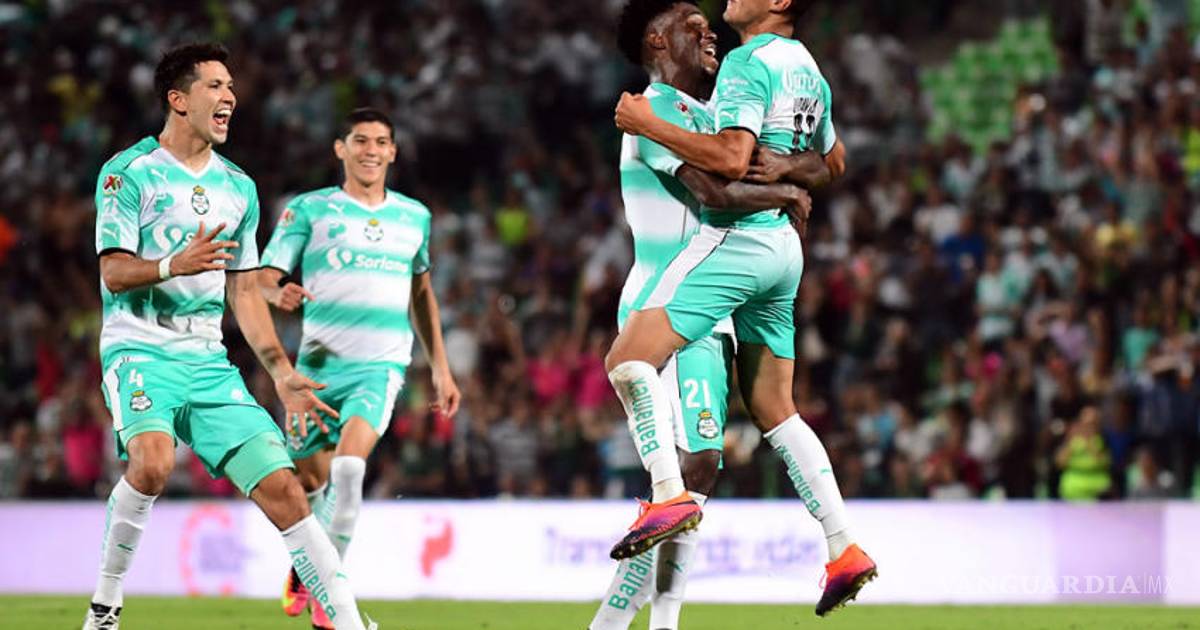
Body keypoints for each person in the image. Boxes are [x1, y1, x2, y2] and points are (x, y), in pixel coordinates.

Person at [87, 44, 375, 629]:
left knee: (286, 490)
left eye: (231, 87)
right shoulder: (127, 173)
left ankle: (349, 623)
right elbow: (113, 271)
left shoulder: (238, 187)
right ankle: (105, 607)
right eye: (215, 86)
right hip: (139, 346)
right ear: (178, 99)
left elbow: (244, 292)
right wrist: (173, 264)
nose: (229, 97)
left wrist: (282, 374)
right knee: (152, 463)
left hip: (206, 359)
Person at [610, 0, 875, 616]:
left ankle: (665, 494)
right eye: (692, 25)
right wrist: (789, 181)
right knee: (775, 409)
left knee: (625, 361)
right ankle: (843, 545)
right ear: (656, 41)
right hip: (783, 254)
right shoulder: (807, 68)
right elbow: (833, 162)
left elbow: (725, 171)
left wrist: (644, 123)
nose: (714, 20)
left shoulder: (743, 65)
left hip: (730, 251)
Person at [258, 108, 460, 629]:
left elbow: (421, 292)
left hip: (380, 367)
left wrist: (441, 367)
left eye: (380, 142)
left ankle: (327, 604)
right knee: (310, 484)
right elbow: (261, 278)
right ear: (340, 148)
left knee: (349, 471)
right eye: (361, 141)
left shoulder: (414, 217)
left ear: (393, 152)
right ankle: (310, 562)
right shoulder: (308, 210)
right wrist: (276, 291)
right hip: (316, 371)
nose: (371, 151)